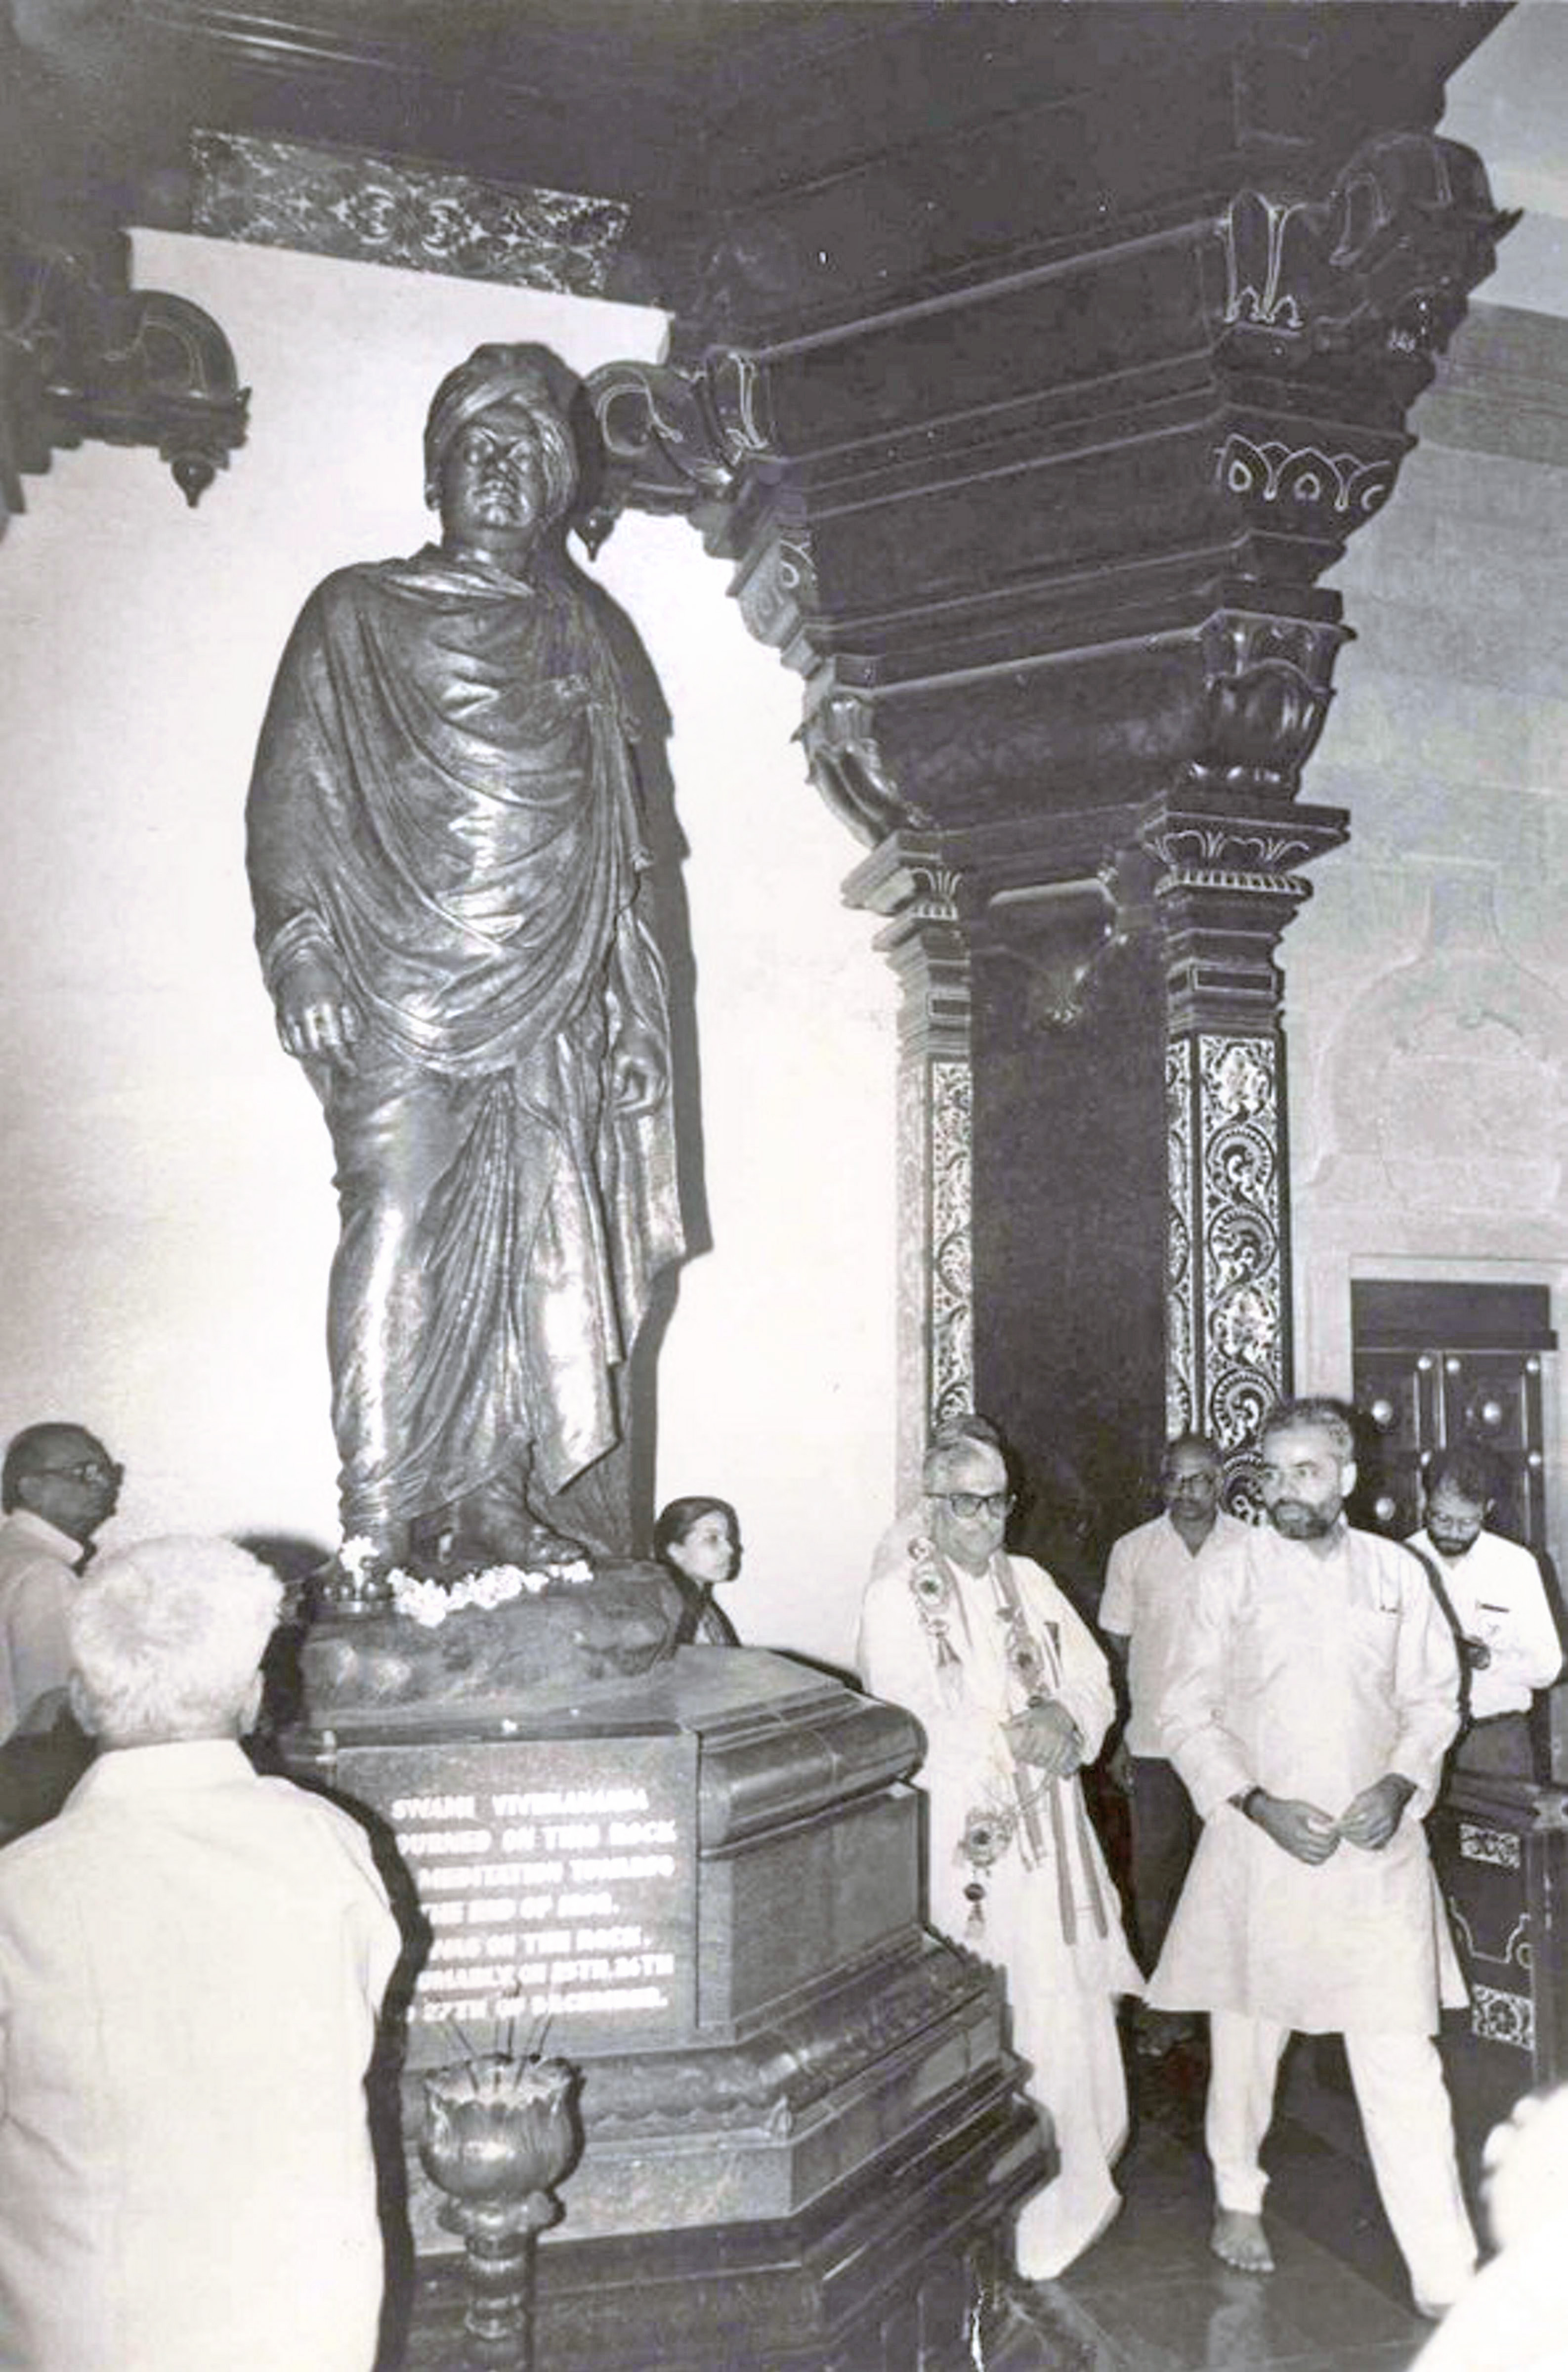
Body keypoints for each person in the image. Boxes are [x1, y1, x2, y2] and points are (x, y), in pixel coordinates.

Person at [246, 341, 684, 1577]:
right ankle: (376, 1516)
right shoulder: (358, 611)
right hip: (398, 980)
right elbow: (291, 797)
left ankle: (491, 1497)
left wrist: (633, 1011)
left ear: (557, 488)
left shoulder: (582, 636)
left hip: (553, 993)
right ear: (439, 474)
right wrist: (302, 949)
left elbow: (620, 849)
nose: (503, 471)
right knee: (392, 1215)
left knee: (539, 1234)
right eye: (479, 450)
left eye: (530, 454)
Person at [0, 1534, 400, 2371]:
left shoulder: (23, 1889)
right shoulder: (326, 1843)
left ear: (78, 1699)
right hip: (304, 2318)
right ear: (255, 1699)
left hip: (87, 2326)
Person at [1146, 1397, 1477, 2320]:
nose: (1285, 1490)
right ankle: (1237, 2199)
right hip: (1263, 1847)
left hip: (1375, 1854)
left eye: (1306, 1471)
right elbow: (1184, 1712)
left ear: (1346, 1477)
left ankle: (1442, 2267)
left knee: (1401, 2058)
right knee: (1247, 2040)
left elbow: (1432, 1704)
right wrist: (1253, 1803)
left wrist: (1400, 1786)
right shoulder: (1229, 1573)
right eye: (1273, 1470)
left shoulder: (1394, 1573)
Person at [858, 1422, 1141, 2280]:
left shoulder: (1032, 1582)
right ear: (933, 1505)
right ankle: (984, 2211)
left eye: (999, 1503)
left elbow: (1091, 1678)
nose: (987, 1522)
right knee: (989, 1999)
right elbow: (903, 1708)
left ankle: (1069, 2189)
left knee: (1058, 1999)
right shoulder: (896, 1597)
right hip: (966, 1844)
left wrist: (1070, 1722)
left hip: (1049, 1839)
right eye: (968, 1504)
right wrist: (1017, 1731)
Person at [1099, 1431, 1249, 2052]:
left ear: (1220, 1482)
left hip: (1230, 1746)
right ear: (1161, 1482)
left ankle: (1237, 2009)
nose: (1187, 1493)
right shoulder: (1133, 1552)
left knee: (1232, 1877)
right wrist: (1131, 1730)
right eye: (1175, 1480)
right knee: (1157, 1881)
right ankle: (1169, 2010)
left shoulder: (1252, 1548)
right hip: (1158, 1745)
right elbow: (1120, 1643)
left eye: (1200, 1479)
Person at [1407, 1442, 1562, 1779]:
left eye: (1466, 1523)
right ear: (1425, 1501)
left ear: (1487, 1508)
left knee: (1501, 1832)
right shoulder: (1400, 1561)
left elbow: (1549, 1667)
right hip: (1421, 1741)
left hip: (1496, 1741)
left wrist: (1486, 1660)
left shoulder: (1516, 1564)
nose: (1451, 1532)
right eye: (1441, 1518)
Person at [0, 1420, 122, 1742]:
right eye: (85, 1473)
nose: (104, 1486)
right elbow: (51, 1713)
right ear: (30, 1488)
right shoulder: (44, 1574)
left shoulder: (13, 1557)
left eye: (108, 1473)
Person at [653, 1495, 742, 1645]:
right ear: (676, 1551)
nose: (729, 1550)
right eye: (712, 1539)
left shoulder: (704, 1608)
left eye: (728, 1539)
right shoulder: (664, 1612)